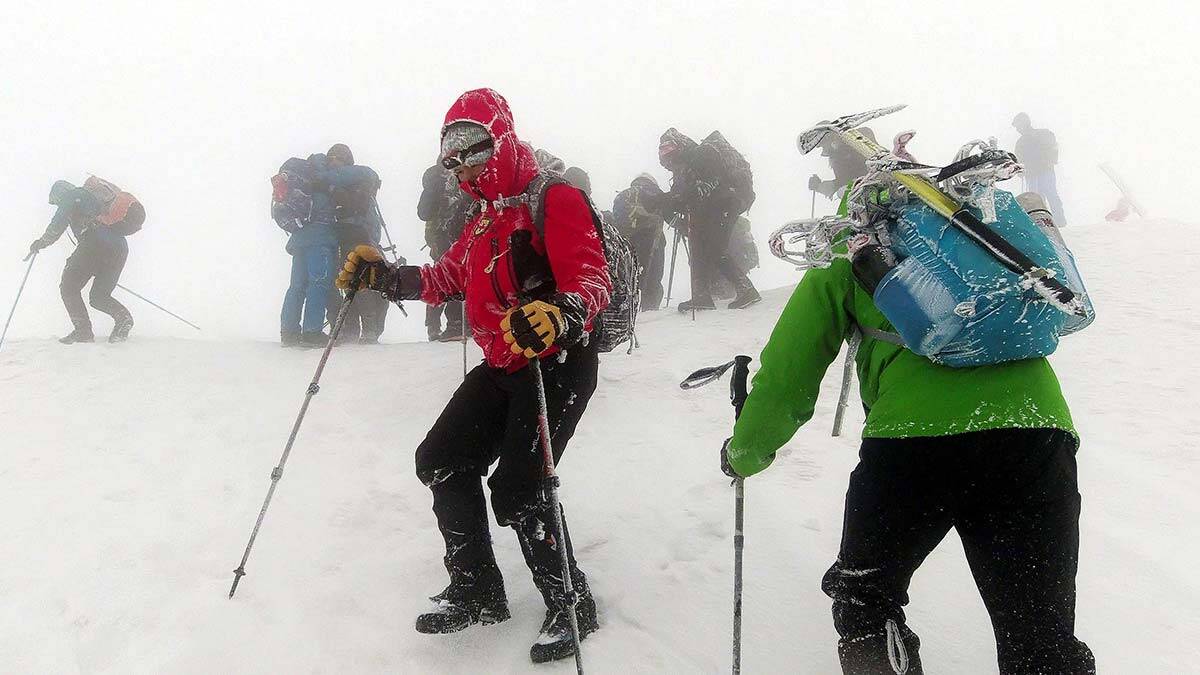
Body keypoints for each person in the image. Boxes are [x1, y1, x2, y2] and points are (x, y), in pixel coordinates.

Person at [722, 205, 1095, 673]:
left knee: (866, 600)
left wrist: (745, 452)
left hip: (912, 446)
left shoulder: (847, 247)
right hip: (1036, 434)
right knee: (1039, 628)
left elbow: (788, 377)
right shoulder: (978, 229)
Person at [336, 88, 610, 664]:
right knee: (442, 457)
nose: (459, 166)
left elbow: (591, 279)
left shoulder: (554, 198)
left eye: (469, 150)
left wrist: (560, 312)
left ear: (499, 140)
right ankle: (477, 589)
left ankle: (571, 602)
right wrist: (386, 277)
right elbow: (446, 278)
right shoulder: (484, 218)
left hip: (556, 363)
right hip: (504, 361)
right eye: (450, 157)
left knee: (519, 487)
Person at [655, 128, 760, 311]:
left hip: (725, 204)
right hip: (711, 208)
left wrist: (678, 198)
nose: (670, 163)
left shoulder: (703, 154)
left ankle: (746, 289)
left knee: (714, 247)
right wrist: (670, 201)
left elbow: (711, 183)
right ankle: (702, 296)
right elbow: (683, 194)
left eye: (670, 154)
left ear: (678, 148)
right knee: (699, 247)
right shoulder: (685, 167)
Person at [28, 179, 144, 344]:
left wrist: (41, 242)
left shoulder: (73, 195)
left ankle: (83, 331)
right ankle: (123, 319)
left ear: (59, 194)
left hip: (94, 243)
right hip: (119, 248)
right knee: (99, 296)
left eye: (57, 202)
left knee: (69, 287)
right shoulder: (96, 202)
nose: (59, 205)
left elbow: (57, 224)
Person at [319, 143, 388, 344]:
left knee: (359, 282)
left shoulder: (359, 180)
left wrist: (332, 189)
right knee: (344, 282)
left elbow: (358, 205)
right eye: (330, 159)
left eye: (337, 158)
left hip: (358, 237)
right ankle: (350, 328)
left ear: (347, 161)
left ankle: (368, 330)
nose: (333, 162)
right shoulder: (351, 180)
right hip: (344, 237)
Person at [278, 154, 338, 348]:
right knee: (318, 283)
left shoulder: (303, 180)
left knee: (296, 286)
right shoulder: (322, 180)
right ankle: (312, 332)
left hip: (299, 239)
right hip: (320, 240)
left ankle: (288, 332)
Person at [417, 162, 472, 341]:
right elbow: (424, 212)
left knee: (443, 275)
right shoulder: (444, 180)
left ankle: (438, 325)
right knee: (450, 275)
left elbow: (424, 212)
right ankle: (455, 323)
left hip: (442, 234)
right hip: (448, 234)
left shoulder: (436, 180)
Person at [612, 173, 666, 310]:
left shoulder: (624, 195)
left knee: (630, 277)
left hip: (628, 242)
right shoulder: (655, 193)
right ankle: (650, 308)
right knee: (653, 277)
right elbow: (669, 211)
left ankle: (628, 308)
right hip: (653, 240)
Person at [1013, 112, 1066, 225]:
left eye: (1018, 126)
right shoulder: (1042, 134)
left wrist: (1021, 171)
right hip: (1042, 171)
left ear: (1024, 123)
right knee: (1048, 195)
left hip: (1037, 172)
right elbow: (1053, 148)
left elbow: (1019, 159)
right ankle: (1057, 222)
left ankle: (1047, 223)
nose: (1017, 129)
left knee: (1039, 198)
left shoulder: (1022, 142)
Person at [808, 127, 876, 201]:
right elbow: (843, 181)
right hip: (865, 191)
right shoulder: (837, 158)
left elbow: (871, 156)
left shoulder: (854, 142)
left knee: (843, 193)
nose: (824, 149)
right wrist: (819, 187)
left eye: (823, 144)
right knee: (842, 193)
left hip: (874, 182)